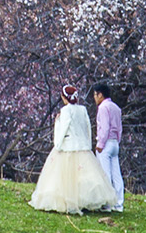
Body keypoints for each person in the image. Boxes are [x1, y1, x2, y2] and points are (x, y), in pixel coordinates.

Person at [29, 84, 113, 213]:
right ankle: (83, 201)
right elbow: (87, 127)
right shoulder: (82, 109)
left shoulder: (66, 111)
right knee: (83, 176)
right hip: (82, 147)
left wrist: (57, 142)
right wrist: (87, 143)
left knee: (63, 176)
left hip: (68, 146)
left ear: (64, 97)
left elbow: (64, 128)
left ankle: (66, 201)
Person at [92, 83, 124, 212]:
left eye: (95, 95)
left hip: (105, 143)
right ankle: (119, 204)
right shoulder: (116, 108)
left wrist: (100, 144)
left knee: (105, 174)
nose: (95, 98)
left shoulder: (103, 108)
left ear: (100, 94)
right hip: (115, 142)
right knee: (117, 175)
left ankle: (107, 204)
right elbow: (120, 129)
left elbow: (104, 128)